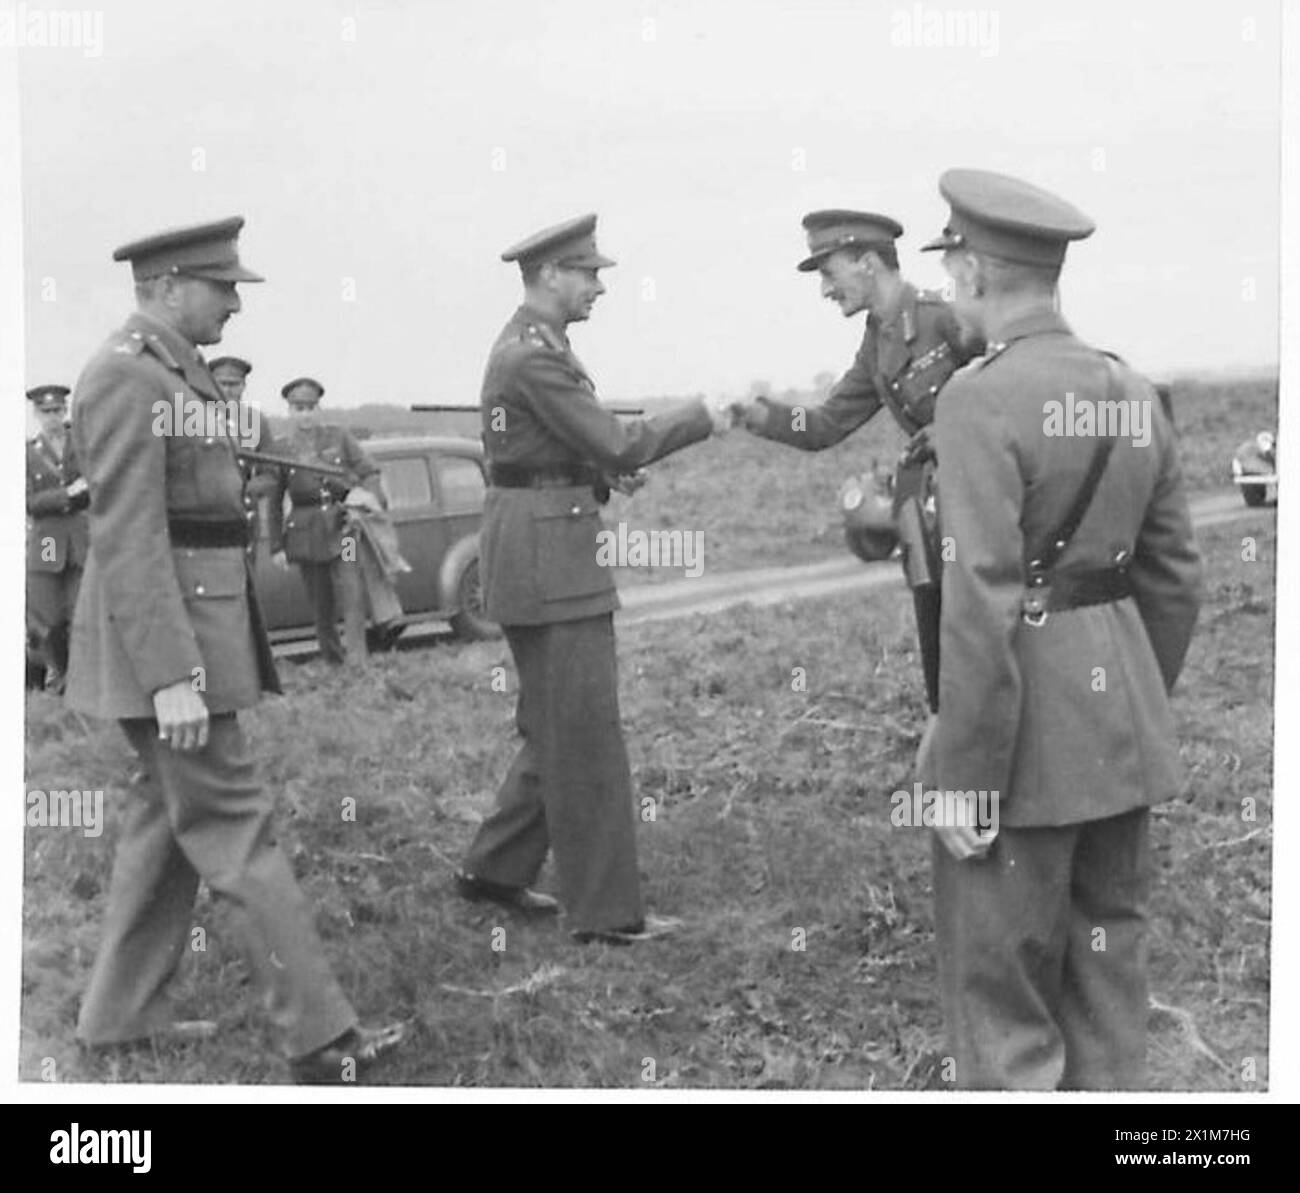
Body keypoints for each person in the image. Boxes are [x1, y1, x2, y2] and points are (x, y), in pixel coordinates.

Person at [66, 216, 404, 1082]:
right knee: (233, 826)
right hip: (174, 648)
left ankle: (118, 1015)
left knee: (164, 821)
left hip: (196, 630)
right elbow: (131, 534)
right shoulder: (124, 375)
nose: (233, 304)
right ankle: (322, 1041)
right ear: (172, 284)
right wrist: (173, 677)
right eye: (224, 288)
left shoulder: (175, 374)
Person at [916, 169, 1202, 1089]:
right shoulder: (1128, 386)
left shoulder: (975, 399)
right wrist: (1123, 701)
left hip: (1020, 750)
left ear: (972, 272)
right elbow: (1174, 580)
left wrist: (963, 776)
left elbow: (981, 603)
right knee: (1109, 992)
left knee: (1006, 1011)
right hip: (1119, 734)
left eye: (950, 262)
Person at [455, 213, 727, 944]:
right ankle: (608, 914)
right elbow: (613, 435)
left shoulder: (535, 347)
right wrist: (702, 415)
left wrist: (600, 467)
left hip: (538, 546)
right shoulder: (534, 356)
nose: (599, 286)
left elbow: (570, 447)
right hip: (552, 560)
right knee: (586, 736)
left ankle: (493, 869)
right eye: (589, 273)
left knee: (554, 725)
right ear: (549, 275)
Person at [730, 211, 983, 708]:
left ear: (868, 263)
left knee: (983, 660)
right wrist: (754, 414)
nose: (825, 290)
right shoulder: (878, 340)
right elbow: (825, 425)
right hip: (934, 524)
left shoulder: (944, 316)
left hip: (985, 516)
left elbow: (1011, 390)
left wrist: (951, 430)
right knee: (944, 670)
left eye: (829, 273)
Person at [267, 378, 393, 666]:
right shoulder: (281, 449)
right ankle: (333, 661)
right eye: (299, 408)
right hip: (306, 533)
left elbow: (369, 470)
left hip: (343, 528)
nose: (306, 414)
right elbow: (273, 502)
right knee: (320, 602)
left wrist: (368, 501)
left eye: (311, 407)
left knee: (352, 592)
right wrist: (276, 546)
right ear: (289, 410)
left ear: (319, 408)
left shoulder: (338, 437)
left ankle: (358, 662)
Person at [26, 383, 89, 693]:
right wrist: (68, 493)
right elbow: (29, 502)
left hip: (80, 540)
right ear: (37, 414)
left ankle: (79, 681)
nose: (53, 417)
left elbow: (98, 483)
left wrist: (80, 492)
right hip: (48, 542)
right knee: (48, 621)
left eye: (58, 410)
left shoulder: (82, 445)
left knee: (82, 615)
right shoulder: (27, 453)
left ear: (66, 410)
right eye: (46, 411)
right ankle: (60, 674)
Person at [209, 355, 277, 562]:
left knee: (246, 576)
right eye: (222, 384)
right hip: (206, 512)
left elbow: (270, 475)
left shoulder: (255, 421)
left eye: (234, 384)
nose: (228, 390)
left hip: (243, 512)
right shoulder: (194, 419)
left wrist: (246, 490)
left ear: (243, 386)